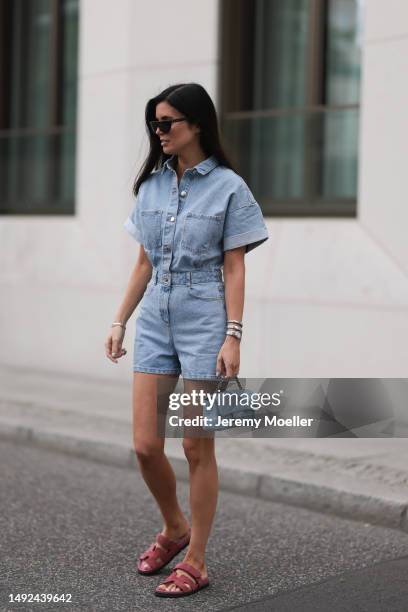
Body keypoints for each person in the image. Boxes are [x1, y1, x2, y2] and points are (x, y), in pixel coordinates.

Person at [105, 82, 269, 599]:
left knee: (196, 445)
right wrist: (119, 321)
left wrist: (233, 335)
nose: (159, 132)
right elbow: (143, 263)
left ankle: (196, 559)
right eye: (154, 123)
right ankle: (174, 528)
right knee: (145, 444)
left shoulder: (228, 187)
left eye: (168, 122)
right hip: (156, 315)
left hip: (204, 318)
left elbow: (235, 267)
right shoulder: (151, 186)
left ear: (196, 124)